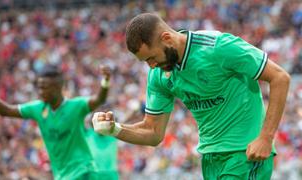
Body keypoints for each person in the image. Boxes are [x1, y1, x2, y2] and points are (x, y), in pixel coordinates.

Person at [92, 13, 291, 180]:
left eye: (151, 57)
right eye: (145, 61)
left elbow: (280, 77)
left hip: (245, 154)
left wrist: (265, 137)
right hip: (209, 158)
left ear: (167, 38)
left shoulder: (218, 47)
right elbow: (152, 132)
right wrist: (115, 129)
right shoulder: (159, 75)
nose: (151, 65)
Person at [0, 64, 111, 180]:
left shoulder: (75, 106)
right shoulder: (38, 108)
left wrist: (105, 81)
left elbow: (99, 99)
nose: (40, 92)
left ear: (57, 87)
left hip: (83, 170)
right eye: (39, 88)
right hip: (61, 175)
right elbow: (6, 111)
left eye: (45, 88)